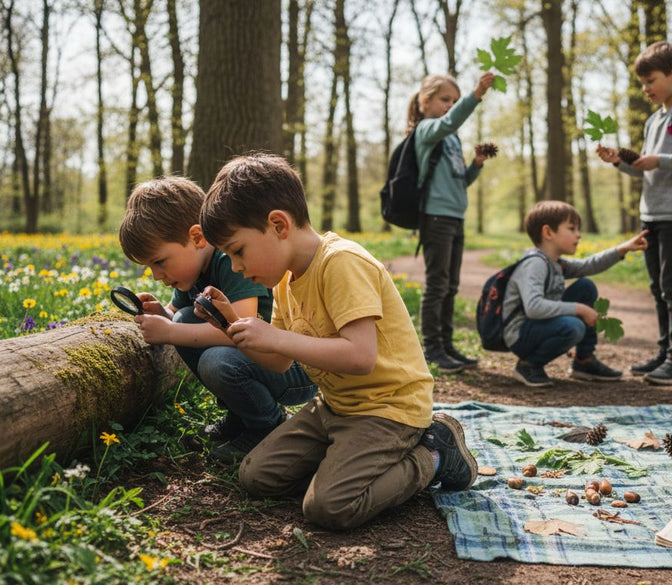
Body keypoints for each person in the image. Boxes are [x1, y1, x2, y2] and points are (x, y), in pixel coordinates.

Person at [197, 153, 476, 531]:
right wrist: (232, 322)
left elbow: (361, 356)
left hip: (388, 409)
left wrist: (275, 336)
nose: (234, 267)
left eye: (238, 250)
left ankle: (435, 452)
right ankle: (347, 460)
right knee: (256, 476)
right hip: (336, 407)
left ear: (278, 224)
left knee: (329, 507)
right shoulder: (283, 279)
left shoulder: (341, 262)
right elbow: (279, 361)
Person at [117, 176, 317, 463]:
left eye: (159, 262)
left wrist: (170, 332)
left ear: (197, 238)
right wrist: (163, 315)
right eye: (149, 267)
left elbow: (240, 327)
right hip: (259, 362)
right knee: (185, 317)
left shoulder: (230, 261)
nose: (156, 275)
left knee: (215, 360)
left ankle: (267, 425)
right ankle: (242, 416)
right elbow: (179, 318)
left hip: (294, 365)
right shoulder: (192, 274)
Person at [596, 40, 672, 385]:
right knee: (658, 287)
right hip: (652, 215)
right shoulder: (652, 121)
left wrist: (660, 159)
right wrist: (620, 161)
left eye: (651, 81)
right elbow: (646, 170)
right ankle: (665, 352)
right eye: (642, 83)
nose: (645, 88)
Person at [502, 201, 649, 387]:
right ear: (548, 233)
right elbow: (533, 307)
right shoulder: (535, 264)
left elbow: (589, 265)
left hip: (536, 325)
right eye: (571, 229)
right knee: (574, 326)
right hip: (521, 334)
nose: (578, 235)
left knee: (585, 286)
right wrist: (578, 309)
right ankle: (529, 365)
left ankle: (584, 361)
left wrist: (622, 249)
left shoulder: (554, 262)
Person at [408, 70, 496, 373]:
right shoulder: (428, 130)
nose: (450, 105)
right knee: (437, 284)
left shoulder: (453, 141)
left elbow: (462, 181)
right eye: (445, 99)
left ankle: (447, 345)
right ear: (425, 101)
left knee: (452, 284)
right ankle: (431, 349)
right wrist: (476, 95)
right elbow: (449, 122)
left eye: (455, 100)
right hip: (435, 217)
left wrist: (476, 165)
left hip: (456, 217)